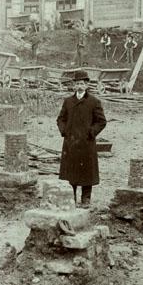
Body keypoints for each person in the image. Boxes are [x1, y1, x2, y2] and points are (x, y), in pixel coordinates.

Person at [56, 69, 107, 206]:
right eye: (77, 83)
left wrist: (91, 133)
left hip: (86, 142)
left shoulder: (94, 102)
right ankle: (71, 197)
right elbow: (60, 119)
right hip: (71, 142)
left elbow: (101, 121)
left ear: (87, 85)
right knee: (70, 171)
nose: (80, 86)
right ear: (74, 85)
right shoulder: (68, 101)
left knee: (87, 172)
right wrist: (64, 131)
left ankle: (86, 198)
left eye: (82, 84)